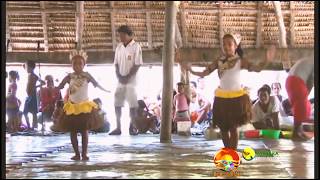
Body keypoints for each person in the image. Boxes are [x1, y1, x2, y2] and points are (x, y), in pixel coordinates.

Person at [187, 33, 275, 150]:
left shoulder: (240, 61)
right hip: (222, 99)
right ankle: (228, 151)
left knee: (233, 128)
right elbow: (205, 72)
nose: (227, 47)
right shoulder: (219, 61)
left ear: (235, 46)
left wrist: (266, 61)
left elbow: (257, 69)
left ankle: (232, 152)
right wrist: (191, 70)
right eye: (224, 44)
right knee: (223, 128)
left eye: (229, 44)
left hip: (236, 99)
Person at [55, 50, 110, 161]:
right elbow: (60, 86)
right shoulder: (69, 77)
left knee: (84, 131)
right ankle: (76, 154)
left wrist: (105, 89)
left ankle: (84, 154)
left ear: (84, 65)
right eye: (75, 63)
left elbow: (96, 84)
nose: (77, 66)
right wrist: (56, 86)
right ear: (71, 65)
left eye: (80, 63)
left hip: (84, 107)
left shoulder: (87, 76)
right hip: (72, 107)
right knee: (73, 131)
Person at [109, 25, 143, 136]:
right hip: (120, 81)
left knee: (132, 105)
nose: (121, 37)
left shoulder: (136, 46)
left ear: (129, 35)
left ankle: (131, 127)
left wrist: (127, 77)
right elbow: (116, 64)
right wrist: (119, 76)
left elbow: (137, 64)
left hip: (132, 82)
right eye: (120, 35)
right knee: (117, 104)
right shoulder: (119, 47)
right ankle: (118, 127)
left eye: (123, 35)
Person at [285, 58, 314, 141]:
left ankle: (299, 131)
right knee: (302, 106)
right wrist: (306, 95)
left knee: (299, 107)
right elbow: (311, 81)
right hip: (296, 81)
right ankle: (295, 133)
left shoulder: (308, 60)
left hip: (289, 81)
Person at [23, 60, 45, 131]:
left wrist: (35, 87)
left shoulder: (34, 75)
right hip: (28, 96)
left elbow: (43, 82)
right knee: (25, 112)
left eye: (27, 67)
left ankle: (33, 127)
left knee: (33, 112)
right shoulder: (29, 74)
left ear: (31, 68)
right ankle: (29, 126)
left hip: (33, 96)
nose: (26, 69)